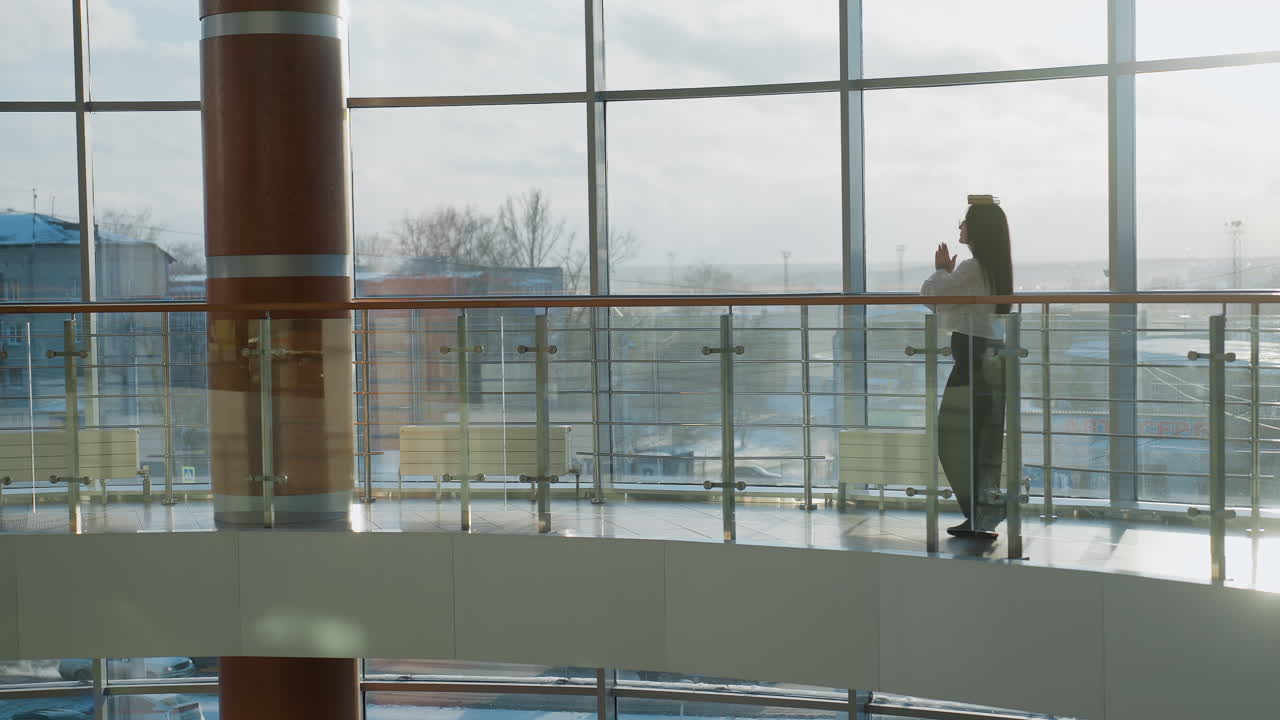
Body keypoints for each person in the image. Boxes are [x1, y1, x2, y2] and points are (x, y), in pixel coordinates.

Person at [920, 195, 1013, 539]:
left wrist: (941, 270)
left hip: (974, 360)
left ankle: (984, 511)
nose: (960, 226)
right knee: (981, 440)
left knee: (953, 437)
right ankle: (982, 513)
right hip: (990, 357)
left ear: (977, 229)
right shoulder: (992, 268)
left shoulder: (972, 268)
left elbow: (934, 297)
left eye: (964, 220)